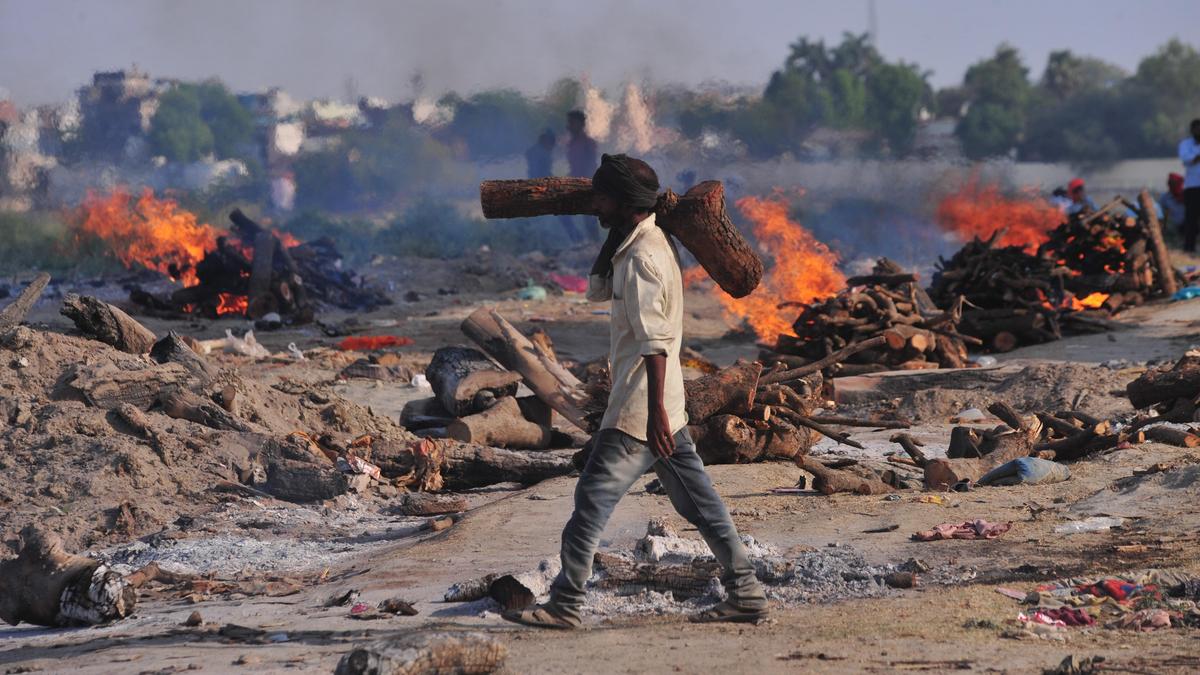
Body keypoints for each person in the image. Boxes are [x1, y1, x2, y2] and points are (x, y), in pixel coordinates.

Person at [503, 154, 768, 629]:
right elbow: (606, 291)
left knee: (590, 504)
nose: (594, 205)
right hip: (663, 406)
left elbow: (655, 344)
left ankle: (565, 605)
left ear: (625, 202)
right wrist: (665, 414)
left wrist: (655, 420)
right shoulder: (641, 243)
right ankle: (746, 594)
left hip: (641, 411)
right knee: (701, 506)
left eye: (602, 197)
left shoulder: (645, 256)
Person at [558, 110, 601, 243]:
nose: (569, 126)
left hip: (586, 184)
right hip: (574, 183)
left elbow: (590, 165)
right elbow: (574, 166)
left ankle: (595, 245)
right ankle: (580, 240)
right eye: (568, 123)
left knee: (589, 218)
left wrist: (588, 184)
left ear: (581, 124)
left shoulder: (588, 143)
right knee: (562, 213)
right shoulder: (571, 144)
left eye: (572, 123)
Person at [1179, 119, 1200, 252]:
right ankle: (1189, 247)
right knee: (1191, 218)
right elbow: (1187, 160)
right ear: (1192, 130)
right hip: (1192, 186)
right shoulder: (1185, 144)